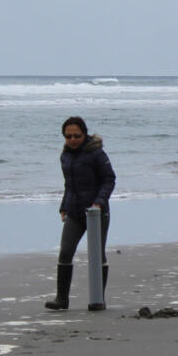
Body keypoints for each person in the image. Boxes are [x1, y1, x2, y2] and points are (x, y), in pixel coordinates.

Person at [45, 116, 116, 311]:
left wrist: (99, 203)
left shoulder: (97, 154)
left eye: (77, 135)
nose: (73, 139)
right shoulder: (65, 156)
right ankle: (61, 299)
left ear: (84, 134)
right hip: (74, 213)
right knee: (66, 252)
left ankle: (98, 299)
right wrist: (63, 207)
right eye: (68, 136)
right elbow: (69, 185)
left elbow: (109, 179)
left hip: (96, 213)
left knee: (97, 254)